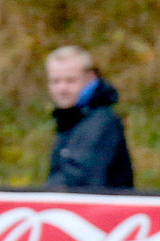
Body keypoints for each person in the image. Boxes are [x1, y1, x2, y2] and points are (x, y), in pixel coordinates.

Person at [45, 45, 134, 190]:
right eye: (55, 81)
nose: (62, 89)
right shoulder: (69, 119)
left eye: (70, 81)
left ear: (90, 78)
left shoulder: (102, 122)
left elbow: (80, 179)